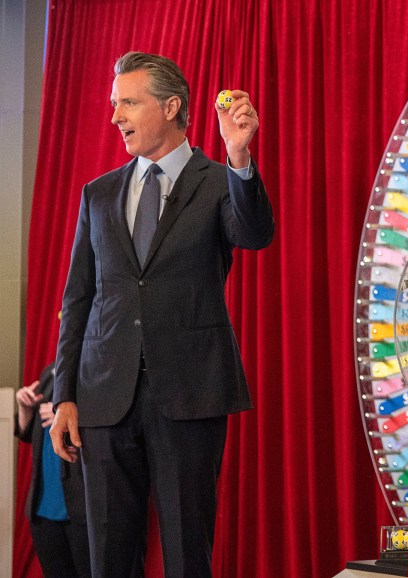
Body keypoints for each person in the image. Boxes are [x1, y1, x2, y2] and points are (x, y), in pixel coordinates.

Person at [49, 51, 275, 577]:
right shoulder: (98, 193)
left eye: (128, 102)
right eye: (114, 104)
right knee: (108, 555)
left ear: (172, 106)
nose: (116, 117)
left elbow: (255, 235)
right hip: (104, 398)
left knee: (186, 552)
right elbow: (79, 298)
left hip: (190, 393)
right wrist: (64, 395)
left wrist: (239, 156)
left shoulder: (219, 180)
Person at [15, 363, 90, 577]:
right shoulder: (50, 372)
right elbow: (27, 433)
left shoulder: (98, 369)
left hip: (82, 507)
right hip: (44, 508)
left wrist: (67, 412)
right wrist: (24, 408)